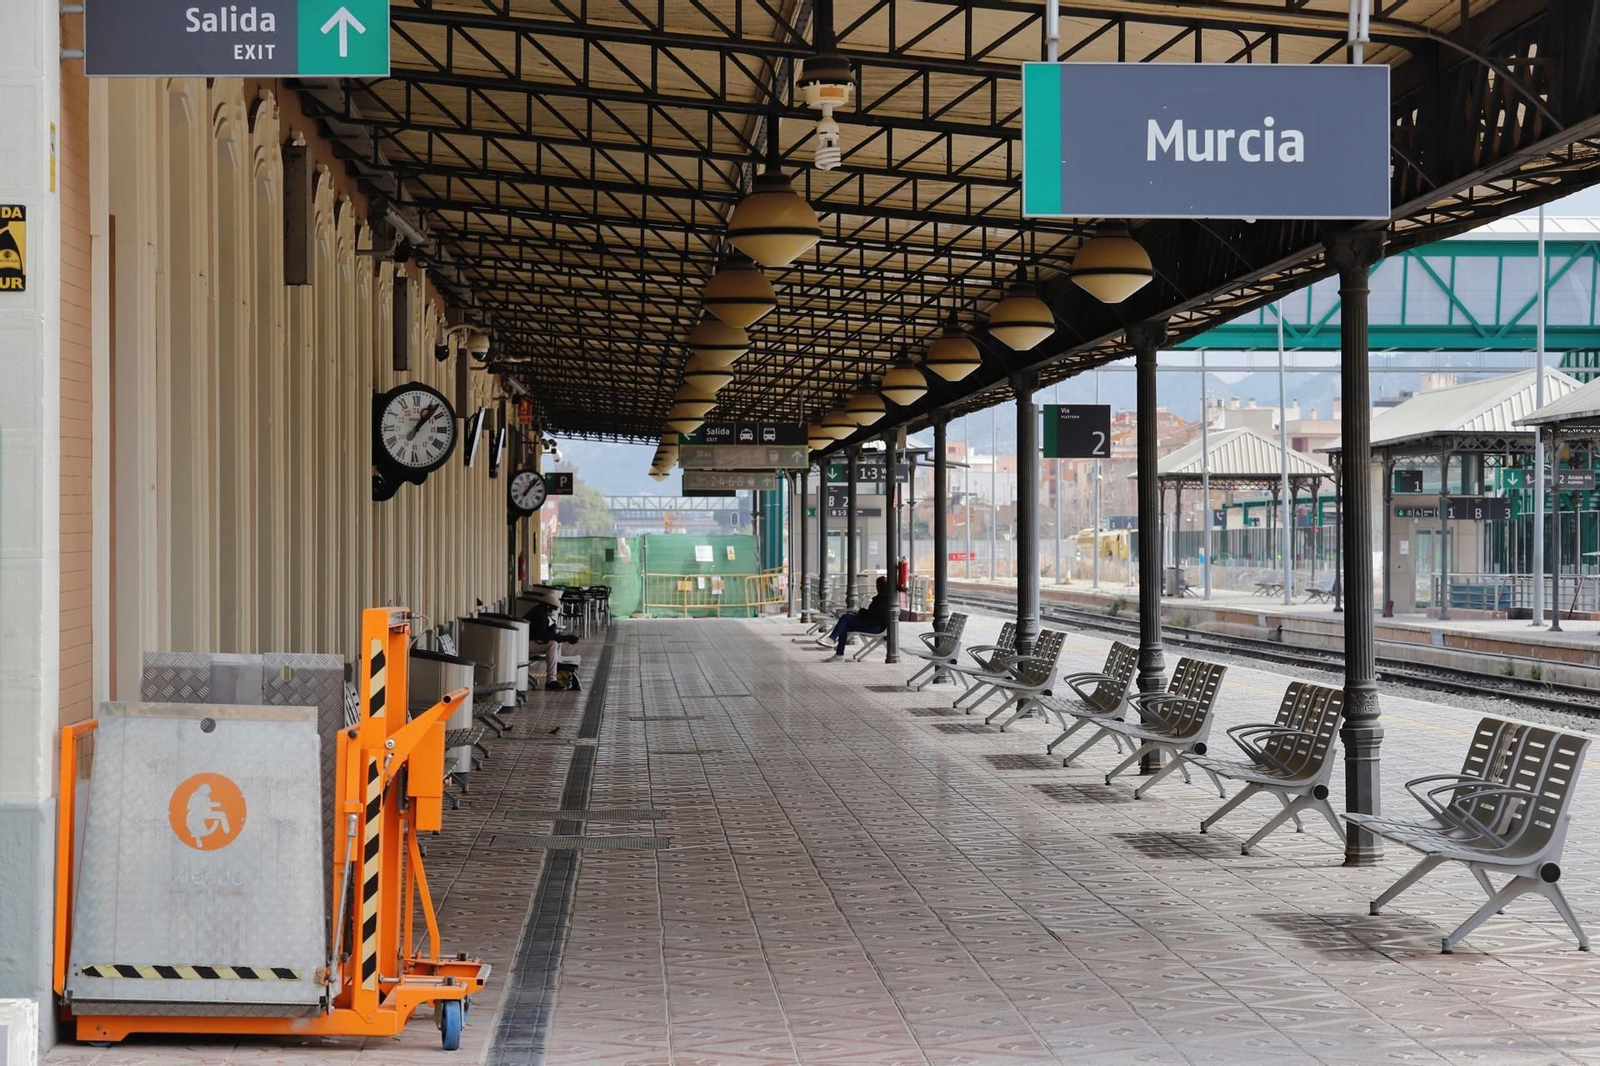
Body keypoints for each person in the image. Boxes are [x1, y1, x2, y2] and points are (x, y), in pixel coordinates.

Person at [826, 575, 894, 661]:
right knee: (845, 622)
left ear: (879, 587)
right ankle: (836, 648)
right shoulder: (886, 599)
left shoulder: (881, 600)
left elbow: (873, 615)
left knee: (845, 618)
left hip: (875, 627)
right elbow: (873, 615)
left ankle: (834, 643)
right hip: (874, 624)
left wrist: (861, 611)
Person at [522, 589, 579, 689]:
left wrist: (561, 637)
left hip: (524, 642)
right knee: (552, 644)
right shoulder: (540, 615)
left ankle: (555, 674)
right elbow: (543, 636)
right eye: (553, 608)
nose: (553, 611)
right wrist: (564, 638)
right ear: (548, 606)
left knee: (555, 642)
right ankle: (551, 680)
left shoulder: (539, 611)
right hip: (525, 644)